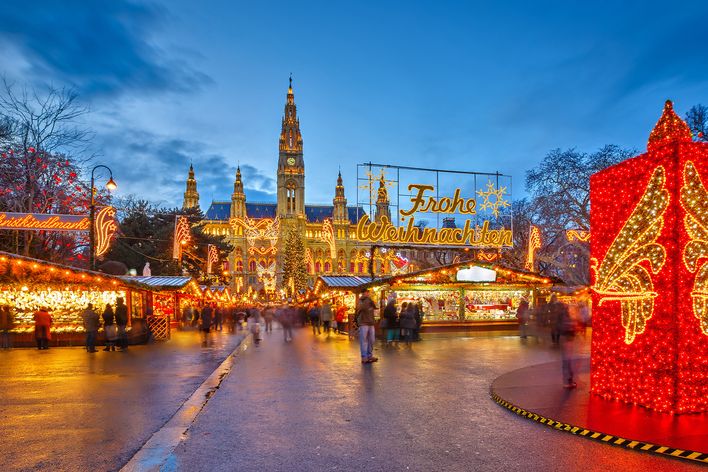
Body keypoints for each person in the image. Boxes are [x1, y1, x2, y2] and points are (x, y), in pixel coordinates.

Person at [549, 295, 577, 388]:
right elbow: (567, 326)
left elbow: (557, 326)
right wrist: (572, 328)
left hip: (562, 337)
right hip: (567, 337)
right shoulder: (565, 315)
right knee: (567, 360)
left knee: (565, 360)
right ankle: (568, 381)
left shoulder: (557, 315)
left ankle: (567, 380)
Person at [356, 289, 377, 363]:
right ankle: (364, 357)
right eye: (367, 292)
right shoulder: (361, 301)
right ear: (363, 293)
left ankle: (369, 355)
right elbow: (361, 308)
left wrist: (372, 301)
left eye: (369, 292)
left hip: (371, 322)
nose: (368, 294)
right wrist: (367, 299)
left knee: (371, 340)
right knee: (364, 340)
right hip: (363, 323)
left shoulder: (370, 301)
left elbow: (375, 307)